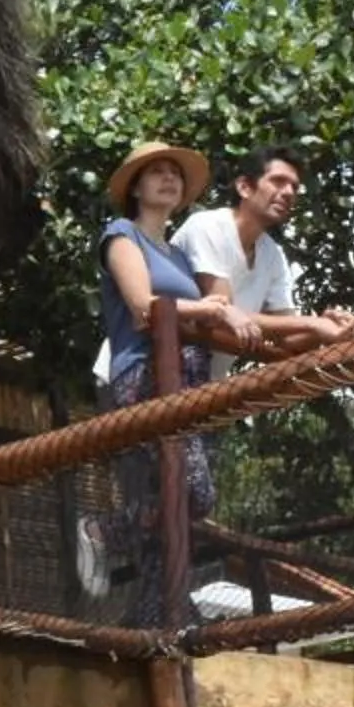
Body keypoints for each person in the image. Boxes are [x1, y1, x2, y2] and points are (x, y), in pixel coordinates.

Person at [95, 141, 238, 624]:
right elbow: (143, 308)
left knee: (170, 500)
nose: (168, 179)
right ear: (135, 188)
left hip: (189, 380)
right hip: (145, 376)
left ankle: (158, 617)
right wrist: (210, 309)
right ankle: (104, 530)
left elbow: (200, 316)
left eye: (174, 174)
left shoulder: (178, 255)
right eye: (155, 172)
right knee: (195, 493)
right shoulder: (121, 235)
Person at [171, 146, 354, 358]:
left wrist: (329, 326)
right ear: (244, 187)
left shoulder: (273, 254)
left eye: (294, 187)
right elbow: (223, 315)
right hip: (162, 370)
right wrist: (313, 323)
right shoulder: (207, 226)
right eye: (278, 181)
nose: (289, 192)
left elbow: (290, 340)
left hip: (208, 382)